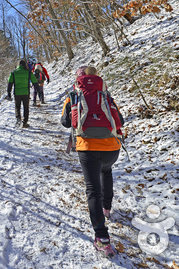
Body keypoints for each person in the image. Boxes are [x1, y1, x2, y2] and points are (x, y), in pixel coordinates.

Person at [61, 65, 123, 257]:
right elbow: (120, 119)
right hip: (112, 148)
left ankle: (103, 239)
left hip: (87, 147)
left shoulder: (73, 95)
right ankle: (107, 208)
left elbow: (65, 122)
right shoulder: (105, 94)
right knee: (107, 171)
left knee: (92, 190)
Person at [6, 59, 37, 128]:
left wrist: (9, 93)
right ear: (25, 65)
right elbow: (35, 82)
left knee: (17, 107)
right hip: (26, 93)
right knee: (26, 108)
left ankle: (18, 119)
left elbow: (10, 83)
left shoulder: (13, 73)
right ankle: (25, 122)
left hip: (17, 93)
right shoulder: (28, 72)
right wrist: (39, 91)